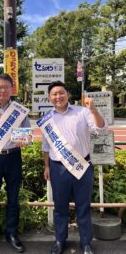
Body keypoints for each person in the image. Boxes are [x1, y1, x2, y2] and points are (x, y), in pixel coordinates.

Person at [39, 81, 108, 254]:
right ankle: (60, 241)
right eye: (54, 94)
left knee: (83, 206)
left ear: (67, 94)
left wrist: (93, 110)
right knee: (60, 207)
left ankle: (86, 243)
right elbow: (46, 147)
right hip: (58, 168)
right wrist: (46, 166)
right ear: (49, 97)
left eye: (61, 93)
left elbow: (101, 129)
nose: (58, 97)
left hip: (82, 166)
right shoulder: (47, 118)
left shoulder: (83, 112)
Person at [0, 74, 31, 253]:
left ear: (12, 89)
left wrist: (23, 140)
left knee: (13, 197)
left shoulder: (20, 110)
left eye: (6, 87)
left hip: (13, 156)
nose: (2, 90)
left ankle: (11, 233)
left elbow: (26, 137)